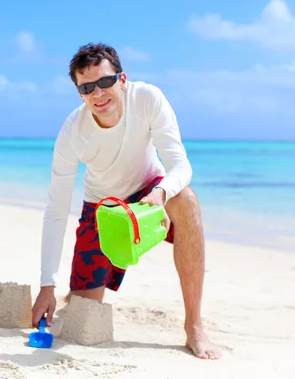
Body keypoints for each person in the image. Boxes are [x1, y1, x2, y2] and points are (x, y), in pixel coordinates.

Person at [31, 43, 222, 360]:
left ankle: (194, 326)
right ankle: (71, 293)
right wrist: (46, 285)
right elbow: (56, 210)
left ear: (122, 79)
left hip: (150, 191)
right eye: (87, 87)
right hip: (102, 208)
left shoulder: (147, 98)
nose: (98, 93)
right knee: (84, 311)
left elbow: (181, 166)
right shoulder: (72, 132)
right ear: (80, 92)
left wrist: (160, 193)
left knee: (186, 199)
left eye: (105, 81)